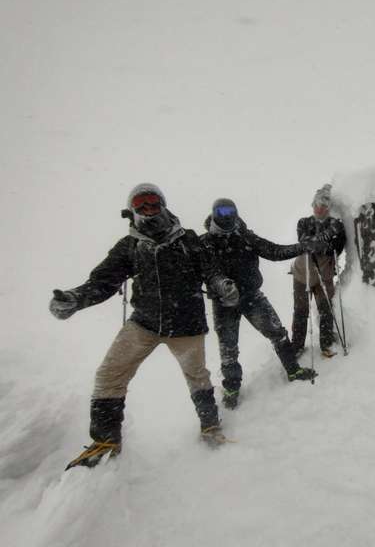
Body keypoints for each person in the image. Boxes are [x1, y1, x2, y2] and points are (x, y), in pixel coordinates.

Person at [50, 184, 241, 470]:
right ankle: (105, 441)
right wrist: (76, 298)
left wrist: (222, 285)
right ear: (132, 211)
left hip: (186, 323)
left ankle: (210, 426)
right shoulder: (130, 246)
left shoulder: (187, 239)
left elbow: (209, 270)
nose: (149, 209)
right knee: (110, 373)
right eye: (141, 204)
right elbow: (103, 281)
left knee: (197, 376)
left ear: (163, 205)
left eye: (154, 202)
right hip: (144, 322)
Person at [200, 198, 320, 409]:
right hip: (223, 303)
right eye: (221, 211)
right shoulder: (205, 243)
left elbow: (273, 251)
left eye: (230, 211)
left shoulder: (245, 236)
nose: (226, 215)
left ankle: (293, 370)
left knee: (277, 333)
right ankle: (232, 389)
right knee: (228, 348)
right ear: (214, 214)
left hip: (251, 296)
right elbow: (201, 271)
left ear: (236, 213)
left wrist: (303, 247)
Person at [291, 185, 346, 358]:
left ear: (329, 207)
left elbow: (337, 248)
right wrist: (327, 236)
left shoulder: (337, 225)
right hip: (302, 274)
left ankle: (326, 343)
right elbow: (306, 242)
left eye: (324, 205)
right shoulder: (303, 222)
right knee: (301, 311)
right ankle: (297, 346)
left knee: (326, 309)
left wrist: (327, 242)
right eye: (316, 204)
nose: (319, 208)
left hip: (324, 275)